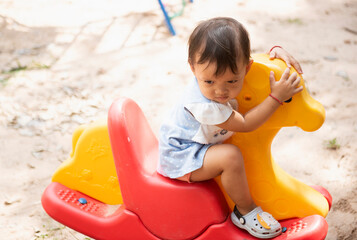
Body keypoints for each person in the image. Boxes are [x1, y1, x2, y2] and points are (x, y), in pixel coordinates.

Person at [157, 17, 303, 239]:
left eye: (232, 82)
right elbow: (246, 125)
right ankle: (245, 212)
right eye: (209, 82)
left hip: (197, 143)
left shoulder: (213, 70)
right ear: (192, 68)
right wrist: (276, 98)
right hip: (181, 155)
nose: (220, 91)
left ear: (246, 68)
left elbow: (249, 60)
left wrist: (275, 52)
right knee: (231, 156)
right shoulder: (205, 106)